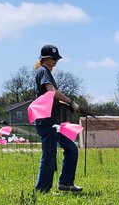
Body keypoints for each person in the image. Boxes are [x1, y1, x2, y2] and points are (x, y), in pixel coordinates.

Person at [32, 44, 82, 193]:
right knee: (49, 154)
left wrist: (67, 106)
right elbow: (52, 92)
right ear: (45, 59)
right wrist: (70, 102)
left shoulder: (47, 72)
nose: (55, 61)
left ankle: (66, 183)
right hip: (45, 120)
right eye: (53, 58)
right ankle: (42, 189)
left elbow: (50, 98)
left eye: (56, 59)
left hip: (53, 122)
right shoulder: (43, 71)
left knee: (72, 148)